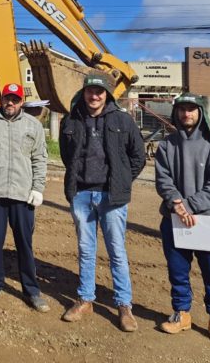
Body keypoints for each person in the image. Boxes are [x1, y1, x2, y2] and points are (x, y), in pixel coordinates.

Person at [59, 74, 145, 332]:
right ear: (84, 93)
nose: (94, 96)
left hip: (111, 196)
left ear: (107, 94)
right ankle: (86, 300)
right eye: (90, 91)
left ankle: (124, 305)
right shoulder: (71, 120)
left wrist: (121, 180)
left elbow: (138, 156)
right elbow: (67, 155)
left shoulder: (122, 120)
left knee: (117, 251)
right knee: (86, 249)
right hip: (82, 195)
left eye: (99, 92)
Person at [154, 94, 210, 351]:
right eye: (182, 109)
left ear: (200, 113)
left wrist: (187, 206)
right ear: (176, 113)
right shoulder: (167, 146)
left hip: (209, 221)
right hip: (174, 220)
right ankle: (182, 314)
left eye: (191, 109)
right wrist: (177, 204)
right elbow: (163, 180)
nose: (186, 113)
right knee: (178, 271)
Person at [0, 83, 50, 312]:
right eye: (7, 98)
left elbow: (39, 158)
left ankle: (31, 290)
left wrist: (38, 188)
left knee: (24, 244)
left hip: (22, 195)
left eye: (15, 99)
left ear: (21, 102)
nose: (10, 103)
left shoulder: (33, 125)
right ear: (1, 99)